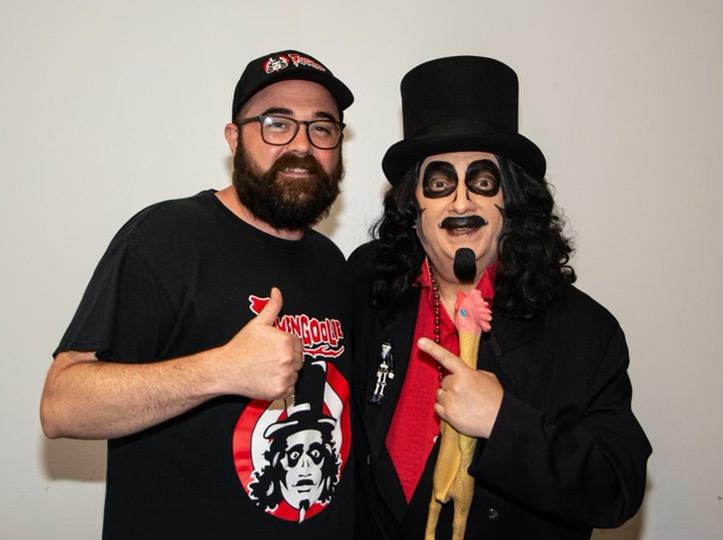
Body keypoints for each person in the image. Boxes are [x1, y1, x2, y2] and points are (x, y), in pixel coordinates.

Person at [41, 49, 355, 539]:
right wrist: (220, 370)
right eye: (277, 124)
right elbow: (62, 406)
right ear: (234, 137)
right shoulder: (167, 237)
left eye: (322, 127)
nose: (302, 144)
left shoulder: (332, 262)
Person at [349, 56, 651, 539]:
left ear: (511, 200)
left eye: (482, 182)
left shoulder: (583, 331)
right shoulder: (369, 291)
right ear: (413, 205)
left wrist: (504, 422)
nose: (461, 201)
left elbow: (617, 488)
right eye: (440, 183)